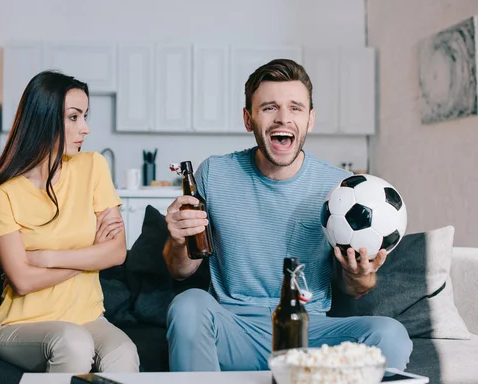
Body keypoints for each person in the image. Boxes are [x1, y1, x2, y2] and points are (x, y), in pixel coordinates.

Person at [163, 59, 412, 372]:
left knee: (390, 334)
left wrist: (360, 274)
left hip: (309, 333)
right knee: (187, 305)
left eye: (295, 108)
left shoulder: (338, 188)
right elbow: (180, 270)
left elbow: (356, 288)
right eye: (269, 107)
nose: (283, 118)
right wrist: (177, 240)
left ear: (310, 119)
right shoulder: (214, 173)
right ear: (248, 118)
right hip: (235, 330)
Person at [0, 70, 140, 373]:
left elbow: (116, 253)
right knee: (73, 342)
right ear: (43, 118)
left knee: (124, 353)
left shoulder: (93, 167)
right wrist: (90, 256)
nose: (85, 128)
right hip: (21, 325)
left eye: (85, 116)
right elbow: (22, 281)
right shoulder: (2, 195)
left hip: (89, 318)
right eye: (74, 117)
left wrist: (45, 258)